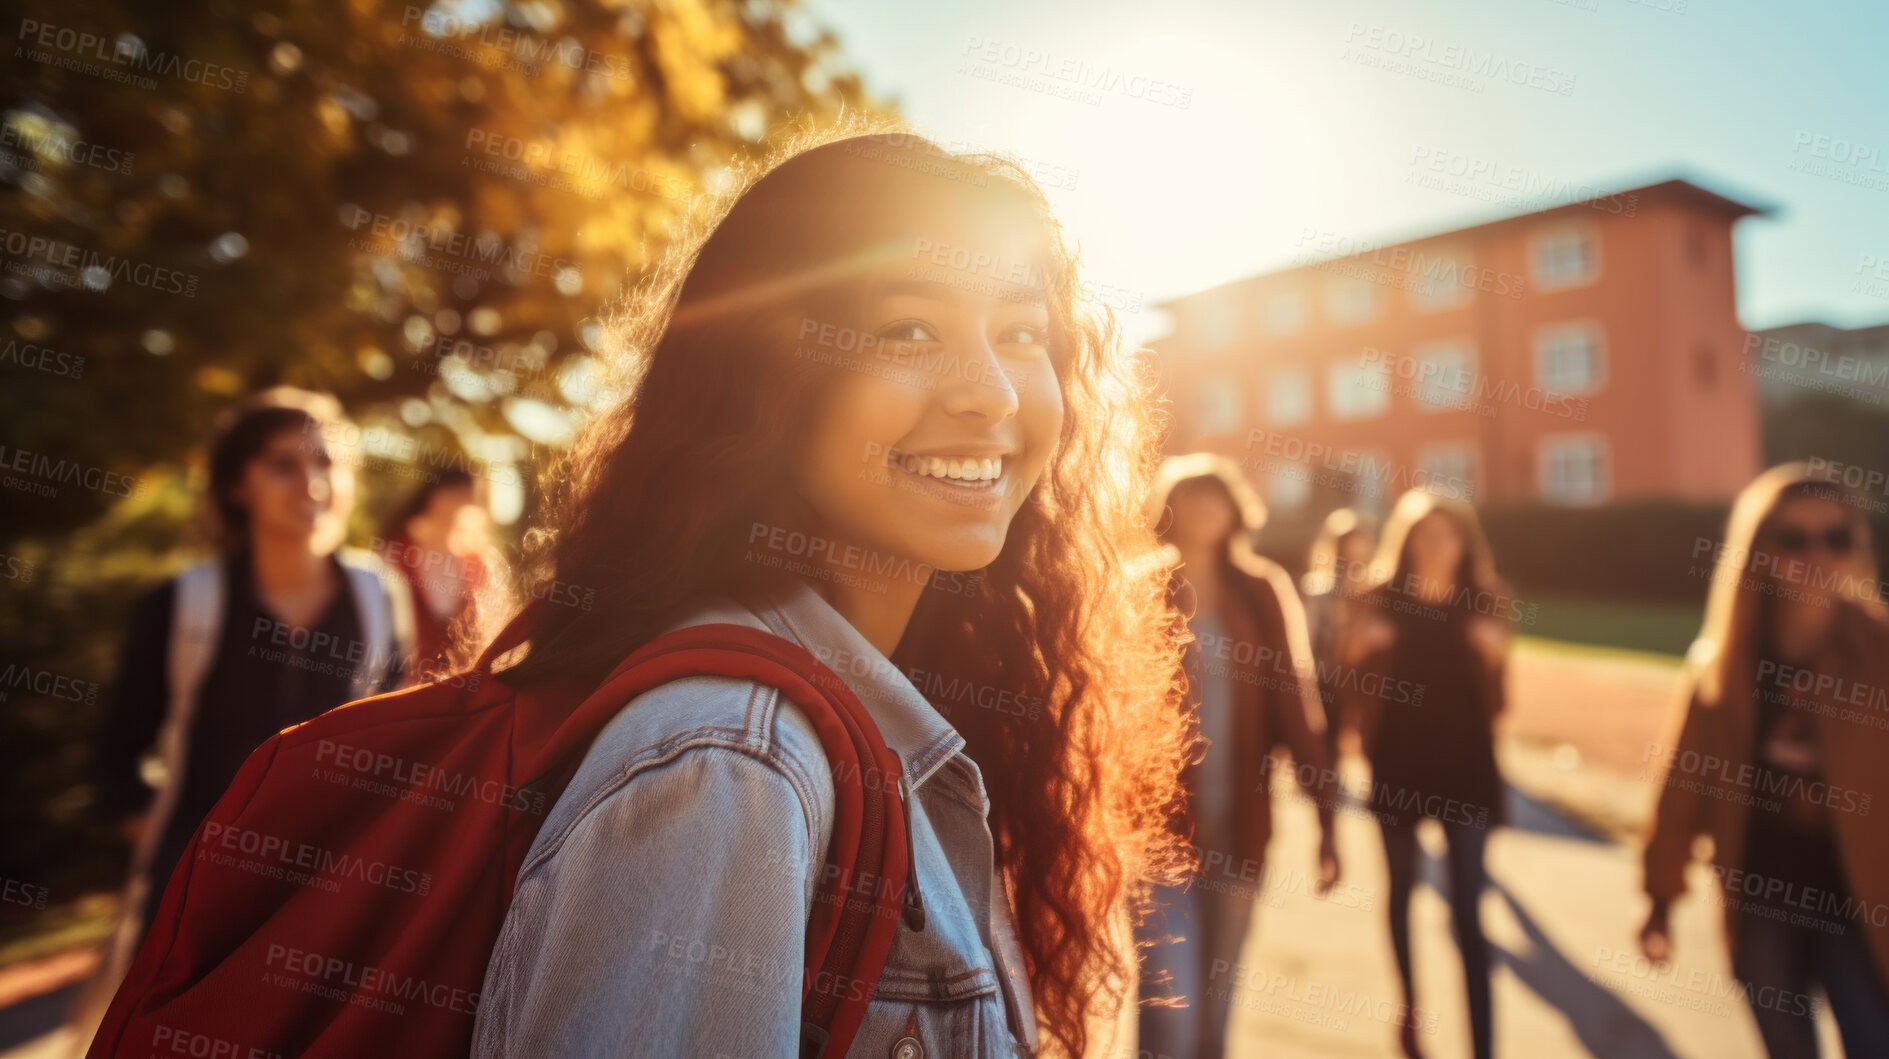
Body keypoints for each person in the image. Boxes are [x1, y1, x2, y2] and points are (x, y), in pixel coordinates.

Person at [466, 129, 1194, 1058]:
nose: (991, 393)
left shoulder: (894, 700)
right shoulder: (731, 760)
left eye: (1020, 333)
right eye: (908, 330)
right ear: (766, 375)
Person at [76, 387, 413, 1040]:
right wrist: (163, 839)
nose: (312, 484)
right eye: (283, 465)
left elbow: (397, 754)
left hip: (328, 908)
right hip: (193, 909)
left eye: (327, 462)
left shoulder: (380, 599)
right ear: (237, 485)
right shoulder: (181, 604)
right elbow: (114, 754)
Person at [1639, 464, 1889, 1058]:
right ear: (1760, 552)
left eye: (1837, 537)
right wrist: (1659, 897)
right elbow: (1684, 786)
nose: (1817, 556)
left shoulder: (1880, 652)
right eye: (1794, 539)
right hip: (1763, 898)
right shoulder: (1725, 663)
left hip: (1861, 900)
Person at [1135, 453, 1341, 1059]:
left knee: (1214, 1018)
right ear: (1168, 510)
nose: (1204, 509)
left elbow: (1296, 710)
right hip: (1156, 841)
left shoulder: (1260, 591)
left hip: (1241, 832)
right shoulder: (1138, 588)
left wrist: (1328, 821)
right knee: (1168, 1011)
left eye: (1215, 497)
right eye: (1190, 497)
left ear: (1235, 509)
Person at [1343, 489, 1508, 1059]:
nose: (1438, 545)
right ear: (1406, 542)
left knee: (1468, 909)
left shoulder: (1486, 603)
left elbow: (1501, 705)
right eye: (1426, 534)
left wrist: (1494, 656)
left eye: (1449, 534)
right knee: (1401, 894)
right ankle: (1410, 1014)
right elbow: (1348, 691)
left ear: (1466, 543)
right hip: (1397, 764)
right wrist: (1359, 651)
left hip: (1467, 769)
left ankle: (1483, 1043)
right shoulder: (1377, 600)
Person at [376, 468, 498, 678]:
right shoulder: (395, 556)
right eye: (452, 496)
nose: (458, 508)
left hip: (457, 698)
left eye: (467, 500)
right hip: (398, 693)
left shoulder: (480, 567)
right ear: (432, 498)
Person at [1302, 507, 1376, 766]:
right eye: (1350, 541)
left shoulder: (1376, 588)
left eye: (1361, 540)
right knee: (1328, 741)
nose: (1357, 548)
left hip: (1365, 677)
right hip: (1328, 677)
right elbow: (1310, 637)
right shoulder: (1320, 589)